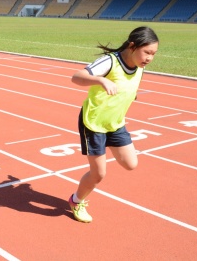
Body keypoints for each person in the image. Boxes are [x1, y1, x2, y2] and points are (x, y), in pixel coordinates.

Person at [67, 26, 159, 223]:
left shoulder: (140, 67)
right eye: (147, 52)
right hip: (93, 123)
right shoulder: (110, 62)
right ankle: (76, 201)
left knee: (131, 164)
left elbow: (129, 85)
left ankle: (106, 147)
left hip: (115, 123)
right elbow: (76, 77)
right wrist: (101, 80)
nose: (150, 58)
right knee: (98, 174)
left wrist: (130, 95)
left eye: (153, 54)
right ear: (132, 46)